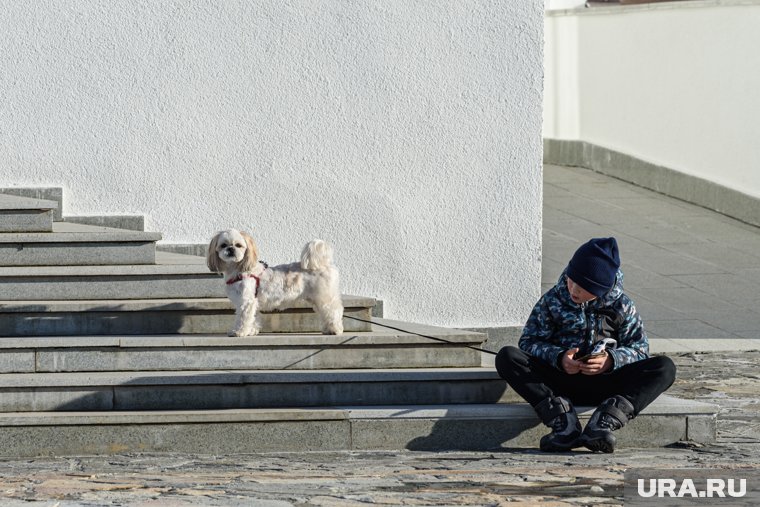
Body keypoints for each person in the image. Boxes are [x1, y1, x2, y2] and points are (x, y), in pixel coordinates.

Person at [496, 237, 676, 453]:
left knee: (665, 367)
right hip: (560, 382)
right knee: (507, 356)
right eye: (572, 280)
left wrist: (611, 360)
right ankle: (563, 423)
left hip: (607, 383)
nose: (574, 289)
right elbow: (528, 342)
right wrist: (559, 357)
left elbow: (639, 349)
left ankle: (604, 422)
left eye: (584, 287)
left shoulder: (623, 306)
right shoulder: (553, 300)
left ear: (600, 288)